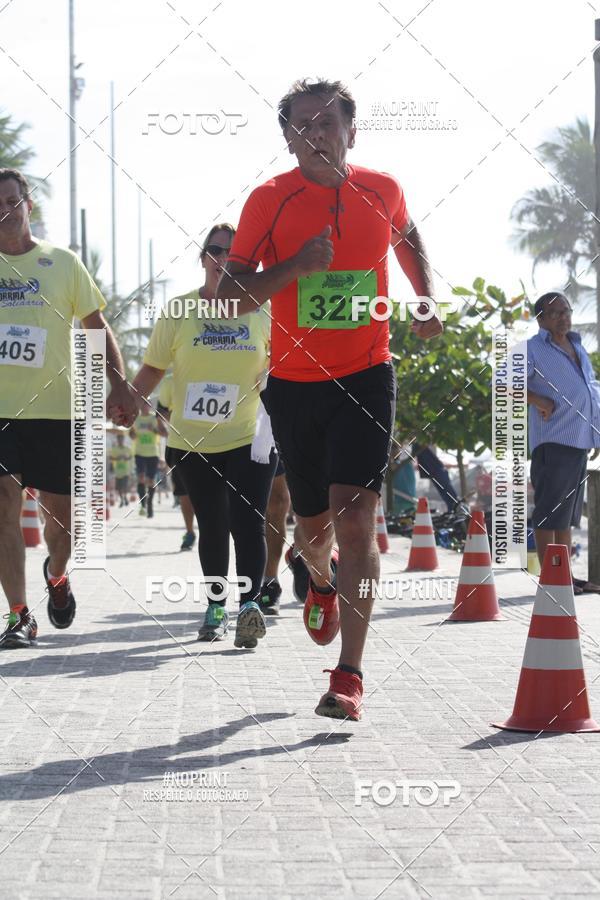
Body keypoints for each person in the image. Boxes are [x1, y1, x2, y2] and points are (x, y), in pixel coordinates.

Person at [216, 78, 442, 719]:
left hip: (367, 374)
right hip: (292, 383)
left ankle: (349, 673)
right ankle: (319, 576)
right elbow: (231, 292)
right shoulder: (269, 202)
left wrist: (422, 294)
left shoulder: (383, 189)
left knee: (356, 516)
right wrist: (294, 269)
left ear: (351, 130)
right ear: (288, 139)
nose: (316, 135)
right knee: (313, 528)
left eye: (327, 122)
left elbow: (407, 233)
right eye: (302, 126)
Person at [0, 168, 136, 649]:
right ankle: (19, 614)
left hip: (58, 411)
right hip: (2, 412)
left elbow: (95, 326)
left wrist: (119, 384)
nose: (5, 211)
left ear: (27, 205)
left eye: (12, 201)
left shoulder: (61, 262)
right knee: (3, 505)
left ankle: (57, 576)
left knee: (64, 526)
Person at [125, 224, 277, 648]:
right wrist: (127, 402)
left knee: (249, 525)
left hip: (250, 435)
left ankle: (249, 608)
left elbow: (287, 363)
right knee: (212, 525)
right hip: (192, 440)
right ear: (202, 258)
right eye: (215, 251)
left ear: (247, 262)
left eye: (233, 252)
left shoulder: (264, 311)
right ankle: (215, 607)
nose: (223, 259)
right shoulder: (178, 312)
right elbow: (153, 369)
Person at [526, 291, 600, 594]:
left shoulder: (579, 346)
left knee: (566, 517)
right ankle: (551, 580)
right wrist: (537, 399)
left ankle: (564, 577)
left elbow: (591, 390)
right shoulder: (531, 348)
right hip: (553, 441)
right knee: (548, 513)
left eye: (566, 311)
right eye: (555, 313)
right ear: (541, 319)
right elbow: (502, 384)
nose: (563, 317)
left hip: (579, 442)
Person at [251, 399, 292, 616]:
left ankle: (305, 557)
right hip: (254, 412)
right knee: (272, 502)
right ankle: (269, 580)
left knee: (281, 502)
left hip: (296, 399)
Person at [157, 372, 197, 550]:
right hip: (179, 444)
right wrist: (173, 417)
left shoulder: (216, 369)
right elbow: (161, 411)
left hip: (216, 442)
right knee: (184, 492)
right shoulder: (170, 381)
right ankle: (190, 531)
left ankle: (212, 529)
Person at [129, 403, 166, 518]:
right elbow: (131, 433)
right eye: (143, 404)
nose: (145, 406)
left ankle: (150, 504)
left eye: (147, 404)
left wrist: (154, 430)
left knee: (150, 481)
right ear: (140, 406)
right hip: (139, 452)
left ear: (150, 406)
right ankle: (143, 504)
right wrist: (133, 435)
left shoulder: (155, 418)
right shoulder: (136, 418)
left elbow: (164, 433)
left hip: (152, 453)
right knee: (140, 477)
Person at [109, 431, 133, 506]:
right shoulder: (114, 449)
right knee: (119, 488)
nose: (120, 441)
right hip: (117, 471)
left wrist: (126, 458)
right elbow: (111, 457)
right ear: (117, 440)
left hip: (125, 471)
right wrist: (117, 458)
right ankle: (122, 499)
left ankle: (125, 497)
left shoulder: (127, 449)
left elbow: (130, 456)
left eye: (121, 439)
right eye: (119, 439)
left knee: (124, 486)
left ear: (123, 440)